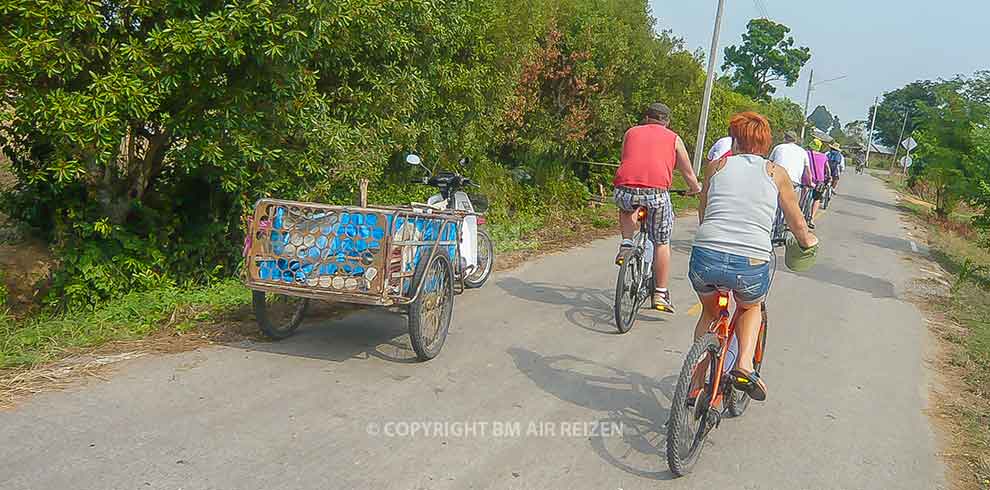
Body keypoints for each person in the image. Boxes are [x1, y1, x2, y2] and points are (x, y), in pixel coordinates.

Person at [689, 112, 818, 401]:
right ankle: (745, 365)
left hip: (705, 254)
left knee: (709, 313)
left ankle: (695, 381)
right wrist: (807, 241)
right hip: (750, 262)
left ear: (734, 140)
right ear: (766, 144)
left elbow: (704, 210)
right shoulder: (777, 174)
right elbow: (797, 222)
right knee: (749, 308)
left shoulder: (716, 167)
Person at [613, 102, 703, 313]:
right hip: (656, 194)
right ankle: (660, 294)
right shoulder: (673, 138)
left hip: (625, 188)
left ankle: (626, 244)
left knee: (627, 207)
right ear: (667, 121)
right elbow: (689, 173)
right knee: (661, 242)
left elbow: (627, 161)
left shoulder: (631, 132)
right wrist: (695, 188)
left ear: (646, 117)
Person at [767, 131, 811, 243]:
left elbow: (769, 163)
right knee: (789, 208)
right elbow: (807, 172)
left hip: (776, 179)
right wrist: (810, 183)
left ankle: (771, 228)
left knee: (773, 205)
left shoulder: (778, 148)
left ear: (785, 138)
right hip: (793, 183)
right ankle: (780, 228)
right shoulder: (802, 152)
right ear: (795, 140)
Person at [803, 147, 831, 229]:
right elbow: (828, 169)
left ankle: (801, 212)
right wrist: (828, 176)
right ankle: (811, 219)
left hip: (807, 178)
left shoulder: (806, 153)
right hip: (819, 181)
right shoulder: (824, 156)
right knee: (817, 199)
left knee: (804, 195)